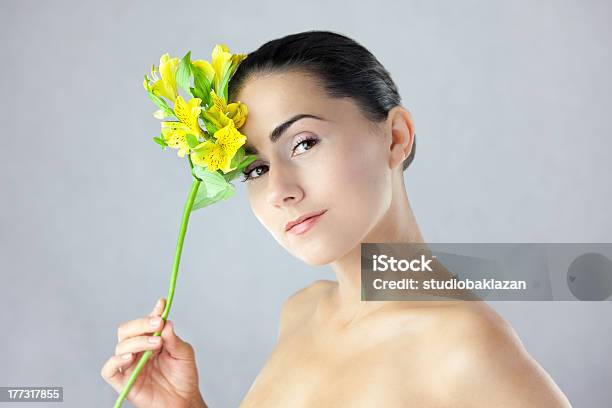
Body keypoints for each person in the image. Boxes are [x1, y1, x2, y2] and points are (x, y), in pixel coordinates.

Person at [102, 30, 572, 407]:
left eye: (304, 143)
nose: (280, 190)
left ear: (396, 137)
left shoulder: (462, 346)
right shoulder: (303, 312)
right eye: (255, 169)